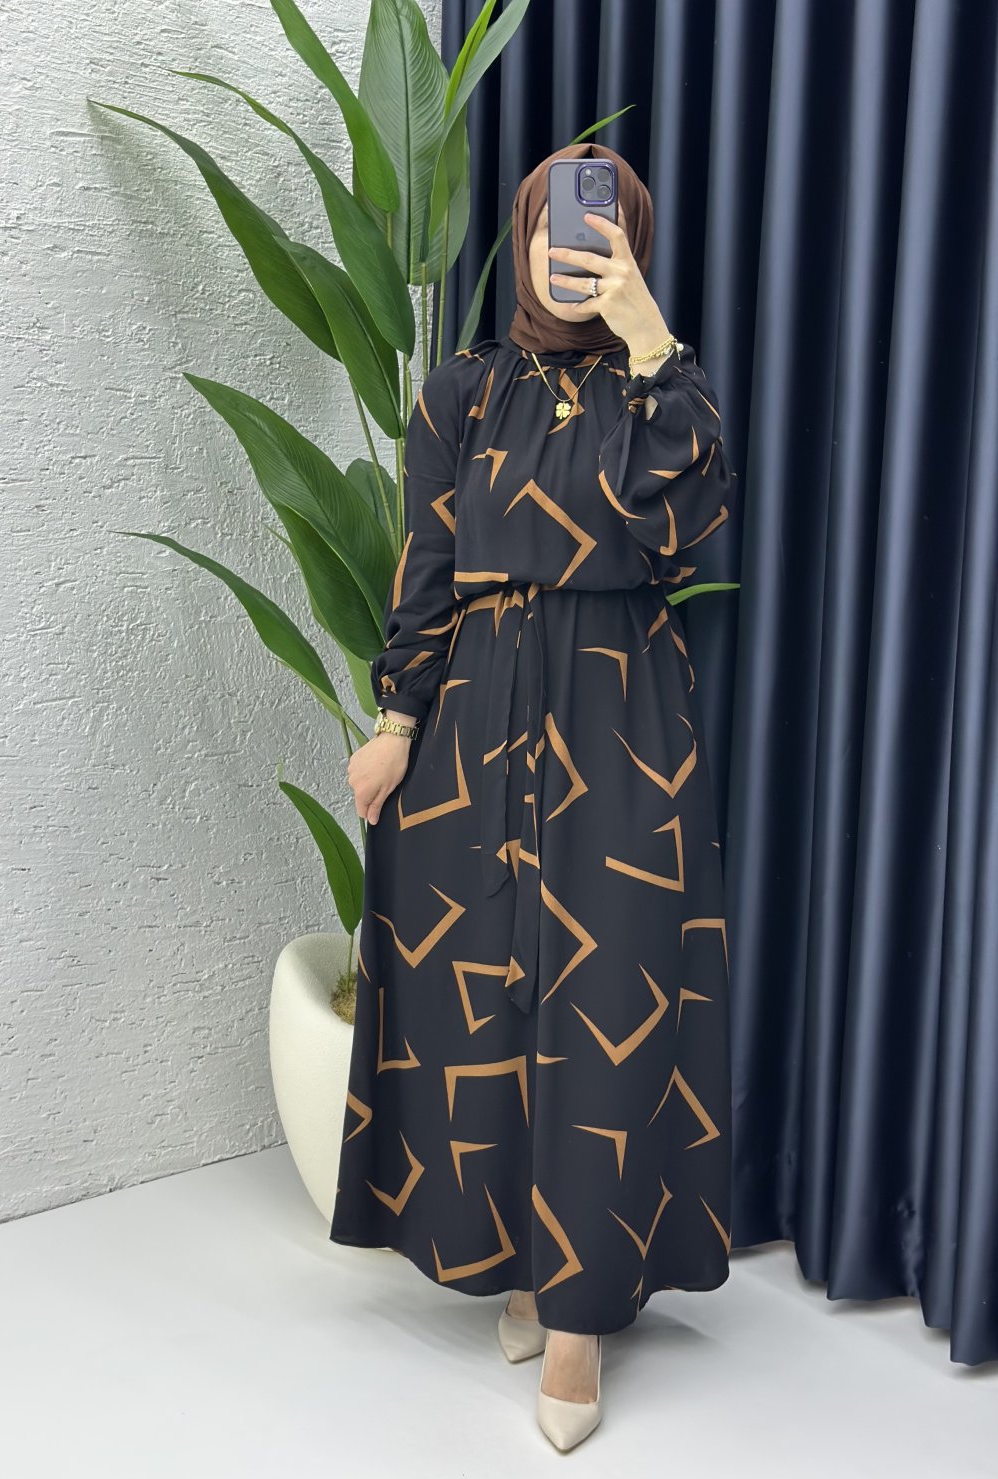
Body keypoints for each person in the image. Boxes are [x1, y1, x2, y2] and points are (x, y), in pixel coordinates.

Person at [329, 141, 738, 1452]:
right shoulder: (461, 391)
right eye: (559, 230)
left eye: (604, 233)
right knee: (485, 992)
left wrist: (648, 340)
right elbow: (427, 563)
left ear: (633, 245)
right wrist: (397, 722)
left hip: (623, 712)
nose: (577, 252)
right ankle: (520, 1257)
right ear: (524, 236)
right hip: (474, 715)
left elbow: (693, 522)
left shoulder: (661, 393)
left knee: (610, 996)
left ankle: (578, 1320)